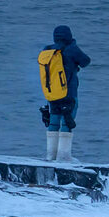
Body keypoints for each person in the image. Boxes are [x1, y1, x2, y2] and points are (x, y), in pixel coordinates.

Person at [40, 25, 91, 162]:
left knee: (54, 121)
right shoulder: (71, 49)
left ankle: (51, 155)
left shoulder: (48, 50)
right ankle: (63, 156)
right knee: (67, 121)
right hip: (69, 93)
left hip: (52, 94)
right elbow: (86, 61)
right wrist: (73, 45)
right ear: (69, 36)